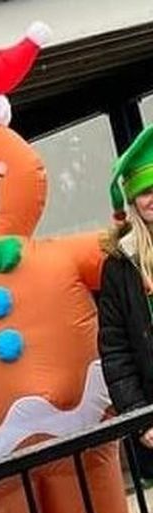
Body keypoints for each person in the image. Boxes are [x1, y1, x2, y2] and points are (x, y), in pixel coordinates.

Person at [100, 123, 153, 482]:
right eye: (145, 191)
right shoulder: (120, 266)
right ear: (132, 200)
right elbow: (115, 350)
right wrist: (140, 417)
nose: (152, 197)